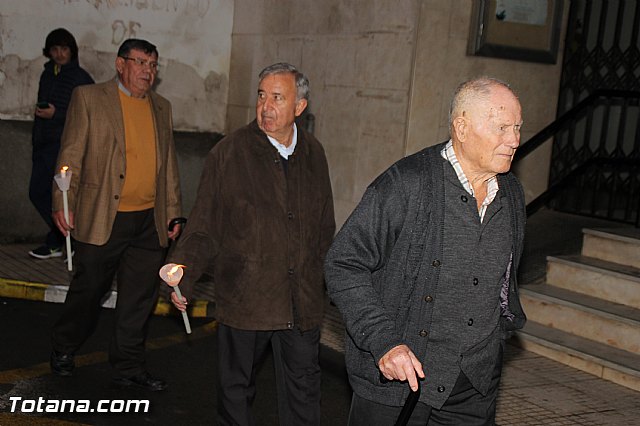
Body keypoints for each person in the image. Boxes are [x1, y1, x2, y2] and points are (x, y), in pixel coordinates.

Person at [324, 77, 527, 425]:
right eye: (502, 128)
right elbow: (343, 263)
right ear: (462, 128)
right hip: (399, 386)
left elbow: (502, 283)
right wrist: (384, 342)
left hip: (473, 389)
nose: (514, 140)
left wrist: (494, 343)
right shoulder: (407, 184)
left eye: (518, 128)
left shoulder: (511, 194)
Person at [167, 62, 335, 425]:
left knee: (304, 390)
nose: (266, 106)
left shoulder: (314, 154)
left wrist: (324, 280)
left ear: (299, 107)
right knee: (235, 390)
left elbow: (324, 228)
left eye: (277, 97)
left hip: (300, 300)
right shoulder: (229, 153)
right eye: (261, 96)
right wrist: (185, 270)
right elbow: (204, 224)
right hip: (247, 298)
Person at [49, 39, 182, 392]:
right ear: (120, 64)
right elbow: (71, 155)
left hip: (148, 220)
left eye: (153, 65)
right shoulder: (89, 98)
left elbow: (168, 166)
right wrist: (63, 202)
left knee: (139, 299)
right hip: (102, 215)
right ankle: (64, 346)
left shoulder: (162, 108)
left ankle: (128, 365)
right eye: (140, 63)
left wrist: (174, 214)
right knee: (88, 291)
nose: (147, 71)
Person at [28, 28, 94, 259]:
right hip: (44, 142)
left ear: (72, 51)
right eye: (55, 49)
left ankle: (65, 239)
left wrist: (56, 114)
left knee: (61, 195)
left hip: (64, 146)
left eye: (64, 49)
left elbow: (88, 114)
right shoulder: (48, 73)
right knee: (37, 192)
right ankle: (60, 237)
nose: (59, 54)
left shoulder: (79, 78)